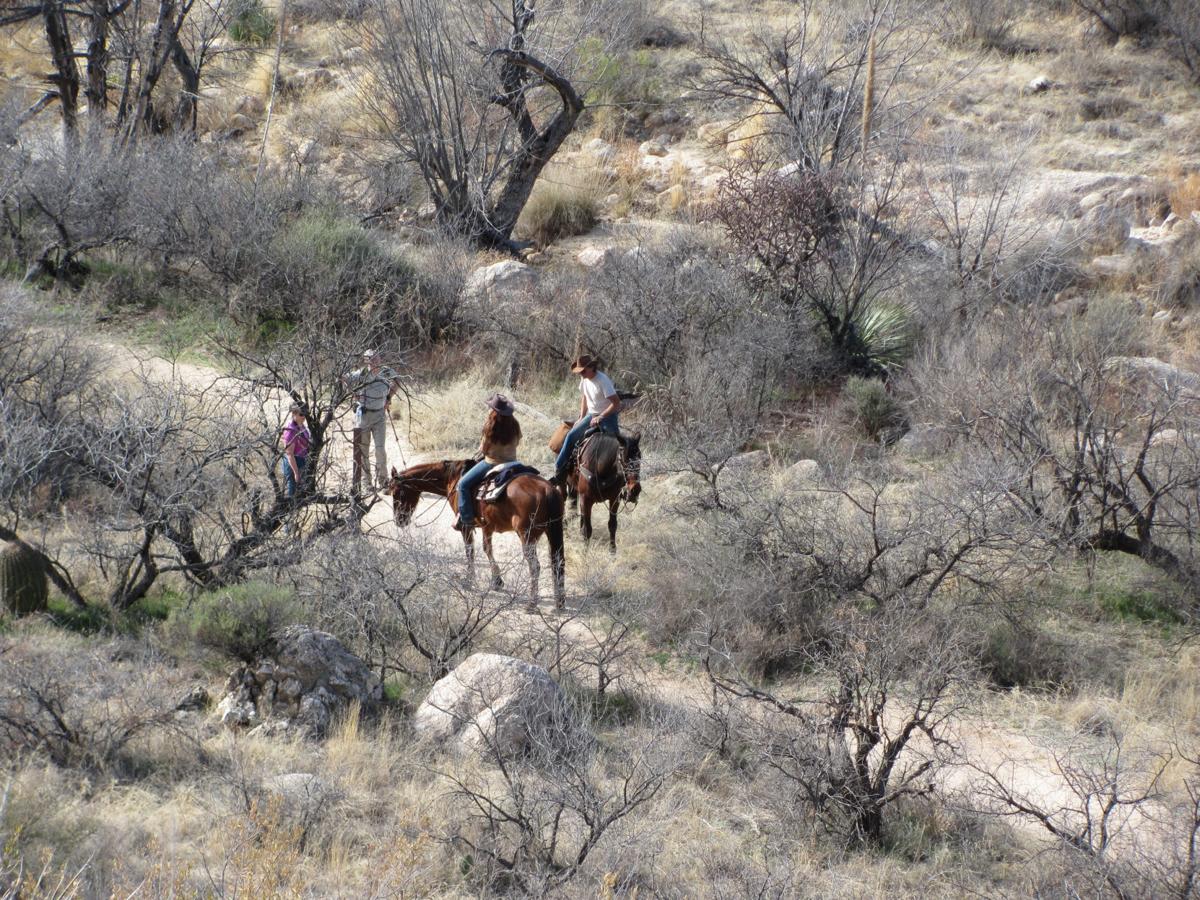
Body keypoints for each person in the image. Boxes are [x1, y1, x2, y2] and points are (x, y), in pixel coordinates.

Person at [549, 355, 621, 486]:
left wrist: (601, 416)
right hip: (591, 415)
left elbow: (616, 403)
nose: (581, 374)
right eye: (579, 371)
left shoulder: (603, 381)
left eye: (583, 371)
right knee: (570, 436)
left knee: (617, 446)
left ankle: (621, 482)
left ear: (592, 367)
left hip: (608, 416)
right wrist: (582, 417)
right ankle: (559, 471)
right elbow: (584, 397)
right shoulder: (584, 379)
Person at [455, 394, 521, 532]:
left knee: (462, 485)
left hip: (492, 463)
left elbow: (483, 450)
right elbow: (517, 442)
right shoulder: (515, 425)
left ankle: (466, 520)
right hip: (513, 463)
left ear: (494, 410)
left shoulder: (490, 426)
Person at [343, 349, 402, 493]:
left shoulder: (386, 372)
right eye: (370, 358)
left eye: (376, 357)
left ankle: (383, 481)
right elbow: (344, 378)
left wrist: (388, 398)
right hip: (363, 415)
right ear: (366, 360)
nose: (375, 360)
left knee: (380, 449)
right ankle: (367, 483)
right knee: (363, 450)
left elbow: (398, 381)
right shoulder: (361, 374)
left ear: (380, 358)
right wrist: (354, 394)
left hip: (380, 416)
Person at [281, 403, 311, 500]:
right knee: (292, 495)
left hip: (302, 461)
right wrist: (296, 473)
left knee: (301, 496)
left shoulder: (301, 426)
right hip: (293, 464)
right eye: (301, 414)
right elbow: (289, 454)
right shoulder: (291, 429)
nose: (304, 416)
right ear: (294, 414)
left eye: (305, 414)